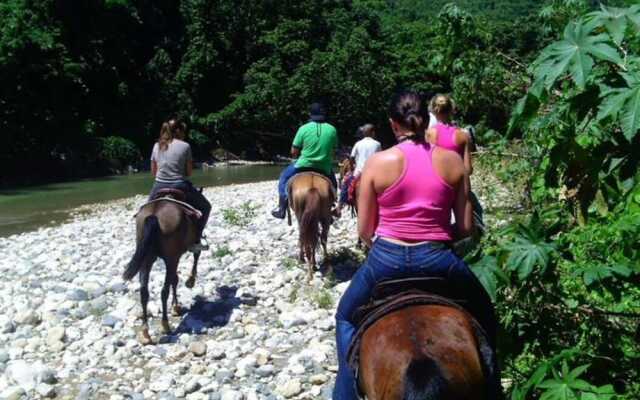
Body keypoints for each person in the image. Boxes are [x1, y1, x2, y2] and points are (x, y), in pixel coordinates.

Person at [333, 91, 497, 399]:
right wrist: (434, 231)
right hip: (439, 259)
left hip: (385, 259)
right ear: (426, 120)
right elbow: (464, 228)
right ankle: (493, 389)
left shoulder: (379, 163)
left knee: (343, 318)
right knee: (486, 315)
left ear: (393, 125)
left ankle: (344, 394)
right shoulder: (451, 162)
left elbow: (365, 231)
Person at [148, 119, 211, 252]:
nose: (184, 134)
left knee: (145, 212)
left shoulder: (156, 145)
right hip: (180, 185)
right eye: (183, 131)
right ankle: (196, 239)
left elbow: (154, 172)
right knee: (206, 207)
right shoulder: (185, 146)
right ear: (178, 131)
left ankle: (143, 239)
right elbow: (188, 173)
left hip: (159, 185)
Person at [271, 103, 338, 219]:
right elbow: (333, 151)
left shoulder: (303, 128)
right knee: (334, 184)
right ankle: (331, 206)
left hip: (303, 164)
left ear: (311, 114)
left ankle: (282, 207)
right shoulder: (332, 129)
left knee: (283, 177)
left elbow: (294, 150)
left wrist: (297, 155)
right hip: (324, 167)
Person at [335, 124, 381, 218]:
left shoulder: (358, 144)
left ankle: (340, 206)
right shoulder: (377, 144)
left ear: (364, 133)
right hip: (374, 173)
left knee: (346, 183)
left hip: (359, 172)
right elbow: (380, 157)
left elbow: (351, 158)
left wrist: (352, 169)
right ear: (372, 133)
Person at [426, 94, 473, 175]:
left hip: (436, 183)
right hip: (456, 183)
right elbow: (468, 170)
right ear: (451, 109)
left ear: (433, 111)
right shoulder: (463, 135)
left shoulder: (428, 134)